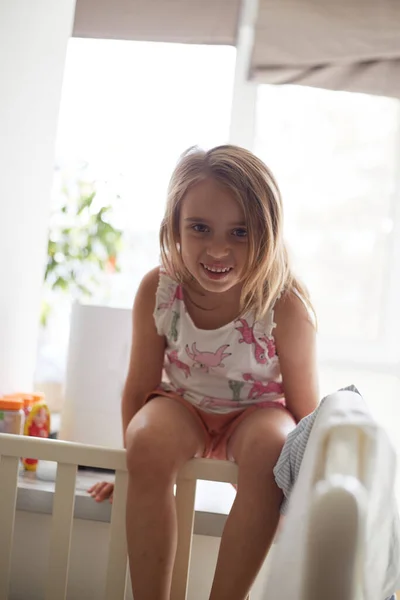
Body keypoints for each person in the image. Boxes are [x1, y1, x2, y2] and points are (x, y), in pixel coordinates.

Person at [88, 145, 319, 600]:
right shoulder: (160, 289)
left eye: (240, 231)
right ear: (174, 225)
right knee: (148, 437)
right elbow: (139, 387)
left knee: (275, 442)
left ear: (268, 233)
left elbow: (305, 410)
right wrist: (133, 468)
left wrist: (298, 494)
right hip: (184, 406)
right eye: (199, 228)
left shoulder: (286, 305)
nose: (218, 248)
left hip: (258, 410)